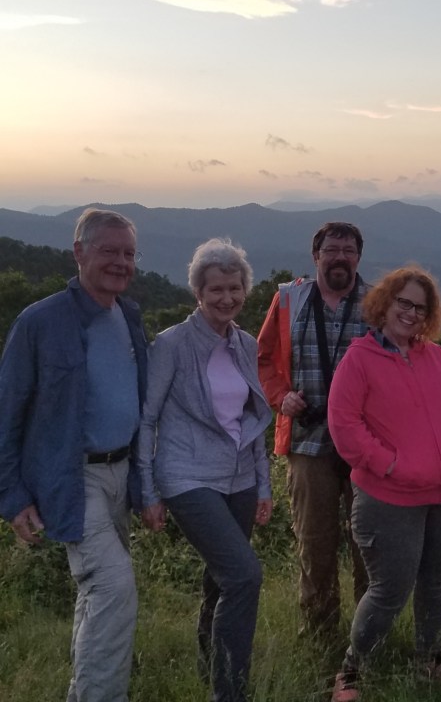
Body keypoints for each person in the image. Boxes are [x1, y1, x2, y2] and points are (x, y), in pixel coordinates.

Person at [0, 208, 147, 702]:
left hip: (121, 474)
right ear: (78, 252)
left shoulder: (128, 314)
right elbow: (7, 413)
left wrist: (145, 485)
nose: (120, 262)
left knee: (96, 594)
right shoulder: (39, 321)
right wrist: (12, 495)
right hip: (71, 477)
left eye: (128, 253)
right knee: (114, 590)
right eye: (108, 250)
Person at [326, 266, 441, 702]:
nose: (411, 313)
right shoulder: (358, 359)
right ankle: (351, 674)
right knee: (389, 590)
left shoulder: (436, 356)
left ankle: (430, 663)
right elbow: (345, 427)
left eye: (421, 307)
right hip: (389, 498)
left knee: (436, 583)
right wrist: (390, 465)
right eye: (404, 303)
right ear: (385, 304)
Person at [137, 238, 273, 702]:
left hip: (239, 479)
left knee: (220, 581)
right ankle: (230, 692)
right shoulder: (171, 344)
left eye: (234, 288)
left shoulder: (246, 344)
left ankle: (207, 667)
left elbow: (251, 420)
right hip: (186, 476)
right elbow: (147, 418)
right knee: (244, 575)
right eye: (215, 289)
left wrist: (263, 485)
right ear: (198, 291)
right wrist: (147, 489)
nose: (226, 298)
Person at [257, 221, 369, 637]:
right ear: (316, 255)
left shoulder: (379, 302)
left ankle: (368, 635)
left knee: (369, 544)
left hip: (365, 446)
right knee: (315, 545)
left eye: (348, 250)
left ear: (359, 257)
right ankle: (320, 638)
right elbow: (263, 357)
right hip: (308, 442)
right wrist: (280, 397)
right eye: (332, 249)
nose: (340, 257)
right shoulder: (289, 300)